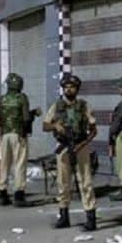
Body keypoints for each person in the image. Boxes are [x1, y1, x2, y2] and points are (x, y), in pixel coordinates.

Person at [42, 74, 98, 231]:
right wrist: (55, 126)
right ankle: (64, 216)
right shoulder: (57, 106)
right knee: (63, 182)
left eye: (72, 87)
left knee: (85, 182)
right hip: (64, 147)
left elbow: (94, 131)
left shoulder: (84, 106)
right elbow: (44, 126)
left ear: (77, 89)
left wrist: (82, 144)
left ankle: (91, 217)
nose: (69, 89)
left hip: (80, 146)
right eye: (66, 87)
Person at [0, 72, 39, 207]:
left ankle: (2, 192)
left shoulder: (1, 99)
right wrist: (33, 115)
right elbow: (25, 118)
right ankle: (19, 194)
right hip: (18, 134)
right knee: (19, 164)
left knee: (4, 164)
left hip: (4, 134)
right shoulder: (22, 98)